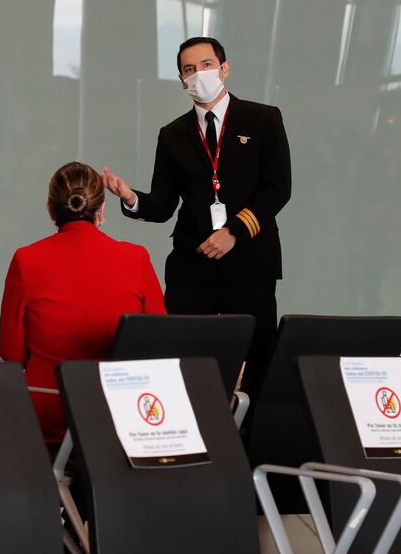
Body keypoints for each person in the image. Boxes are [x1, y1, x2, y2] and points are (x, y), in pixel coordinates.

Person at [102, 37, 291, 392]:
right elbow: (162, 205)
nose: (199, 74)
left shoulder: (263, 118)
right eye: (190, 69)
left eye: (206, 65)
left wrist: (234, 231)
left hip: (250, 261)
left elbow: (278, 189)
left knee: (255, 358)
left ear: (224, 69)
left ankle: (249, 438)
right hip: (194, 265)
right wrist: (130, 198)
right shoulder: (172, 134)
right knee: (183, 358)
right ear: (181, 79)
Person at [0, 162, 166, 447]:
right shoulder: (136, 258)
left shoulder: (26, 260)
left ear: (51, 210)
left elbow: (12, 354)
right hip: (119, 414)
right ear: (101, 210)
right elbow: (158, 344)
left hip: (49, 412)